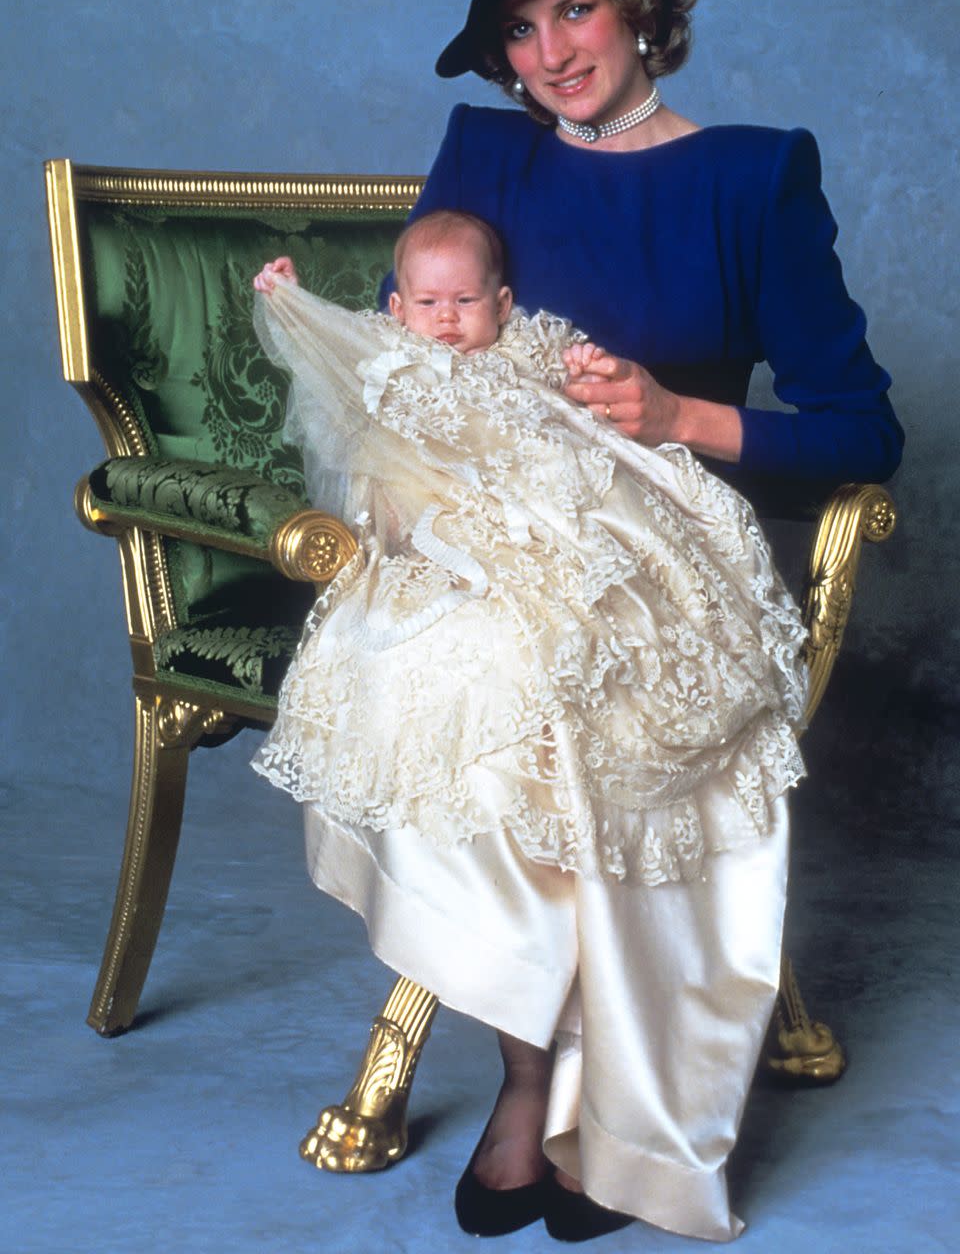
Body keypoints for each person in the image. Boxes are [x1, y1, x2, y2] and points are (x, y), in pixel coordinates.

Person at [254, 0, 903, 1241]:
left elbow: (862, 432)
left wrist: (678, 414)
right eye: (520, 29)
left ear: (640, 3)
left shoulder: (754, 176)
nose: (550, 54)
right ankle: (530, 1078)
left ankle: (613, 1111)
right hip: (488, 534)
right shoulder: (487, 154)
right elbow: (406, 365)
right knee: (457, 685)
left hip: (662, 551)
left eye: (575, 12)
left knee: (562, 695)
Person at [252, 207, 810, 1243]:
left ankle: (620, 1112)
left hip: (567, 550)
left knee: (602, 698)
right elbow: (349, 381)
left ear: (502, 304)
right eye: (428, 303)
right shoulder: (396, 363)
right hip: (442, 564)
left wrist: (598, 390)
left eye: (468, 302)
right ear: (397, 308)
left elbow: (585, 426)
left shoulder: (533, 347)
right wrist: (287, 297)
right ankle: (528, 1071)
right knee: (467, 707)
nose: (449, 319)